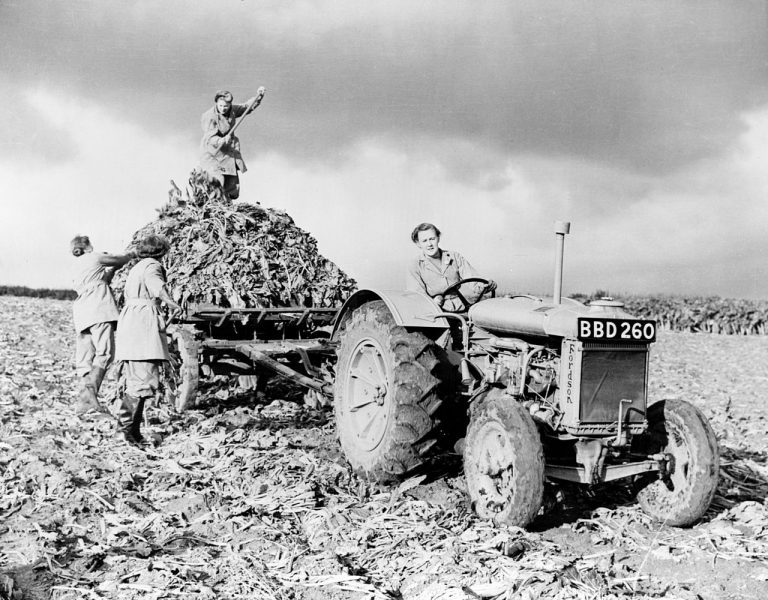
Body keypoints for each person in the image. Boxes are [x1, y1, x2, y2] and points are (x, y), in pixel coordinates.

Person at [114, 234, 181, 446]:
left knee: (137, 380)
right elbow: (157, 287)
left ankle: (131, 433)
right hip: (142, 323)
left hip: (132, 321)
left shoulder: (137, 267)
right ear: (160, 252)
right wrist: (172, 303)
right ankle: (126, 432)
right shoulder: (152, 266)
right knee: (143, 381)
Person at [70, 236, 137, 415]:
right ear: (88, 246)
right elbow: (121, 259)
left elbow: (101, 280)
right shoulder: (94, 257)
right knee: (105, 353)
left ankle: (84, 402)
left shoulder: (76, 265)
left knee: (85, 357)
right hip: (98, 308)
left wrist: (113, 270)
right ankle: (89, 398)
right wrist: (131, 254)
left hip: (82, 311)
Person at [406, 222, 497, 312]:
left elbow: (473, 279)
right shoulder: (415, 265)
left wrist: (486, 285)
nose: (429, 244)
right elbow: (418, 296)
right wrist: (433, 302)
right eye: (424, 241)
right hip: (437, 311)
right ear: (418, 244)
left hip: (463, 304)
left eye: (432, 239)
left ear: (438, 238)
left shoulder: (454, 257)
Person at [199, 88, 264, 200]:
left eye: (226, 106)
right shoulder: (209, 116)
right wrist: (222, 140)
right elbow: (210, 138)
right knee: (217, 181)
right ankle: (212, 205)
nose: (223, 109)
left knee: (231, 186)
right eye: (220, 106)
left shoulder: (232, 110)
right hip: (213, 153)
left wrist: (258, 97)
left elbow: (246, 107)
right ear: (216, 103)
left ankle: (226, 206)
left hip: (227, 153)